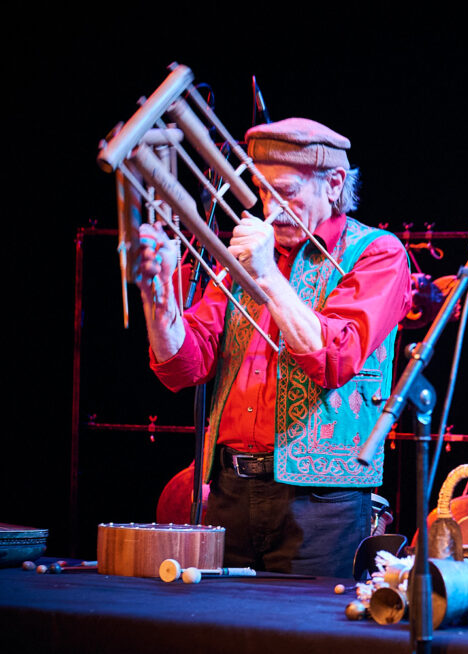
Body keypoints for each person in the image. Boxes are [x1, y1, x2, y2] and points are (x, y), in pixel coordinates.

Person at [136, 117, 412, 577]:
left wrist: (266, 274)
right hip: (227, 491)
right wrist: (158, 297)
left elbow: (334, 359)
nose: (272, 208)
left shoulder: (375, 253)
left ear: (334, 183)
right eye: (263, 193)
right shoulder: (241, 260)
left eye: (286, 192)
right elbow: (184, 366)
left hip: (320, 504)